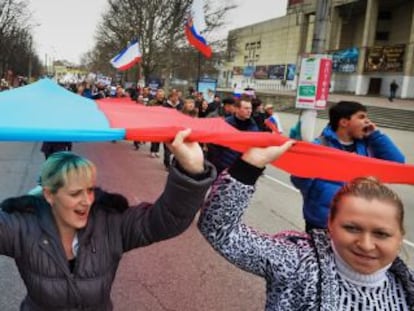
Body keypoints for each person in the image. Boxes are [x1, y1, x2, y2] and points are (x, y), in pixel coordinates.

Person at [0, 129, 216, 310]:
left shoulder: (111, 221)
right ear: (49, 195)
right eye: (75, 193)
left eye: (90, 190)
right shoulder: (21, 225)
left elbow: (166, 220)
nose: (87, 201)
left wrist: (192, 170)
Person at [198, 141, 413, 310]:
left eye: (381, 234)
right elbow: (221, 231)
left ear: (400, 235)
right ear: (330, 223)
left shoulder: (406, 285)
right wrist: (248, 166)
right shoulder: (298, 262)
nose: (366, 245)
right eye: (352, 228)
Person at [291, 101, 405, 232]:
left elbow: (397, 163)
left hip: (358, 220)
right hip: (322, 222)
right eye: (362, 117)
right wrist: (319, 195)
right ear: (344, 122)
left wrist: (376, 135)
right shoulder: (319, 146)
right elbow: (299, 180)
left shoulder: (369, 145)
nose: (367, 122)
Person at [207, 95, 259, 174]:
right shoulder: (226, 124)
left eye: (250, 108)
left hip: (243, 169)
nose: (249, 111)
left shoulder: (253, 127)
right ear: (237, 109)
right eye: (246, 108)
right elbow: (214, 146)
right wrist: (219, 163)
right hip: (224, 169)